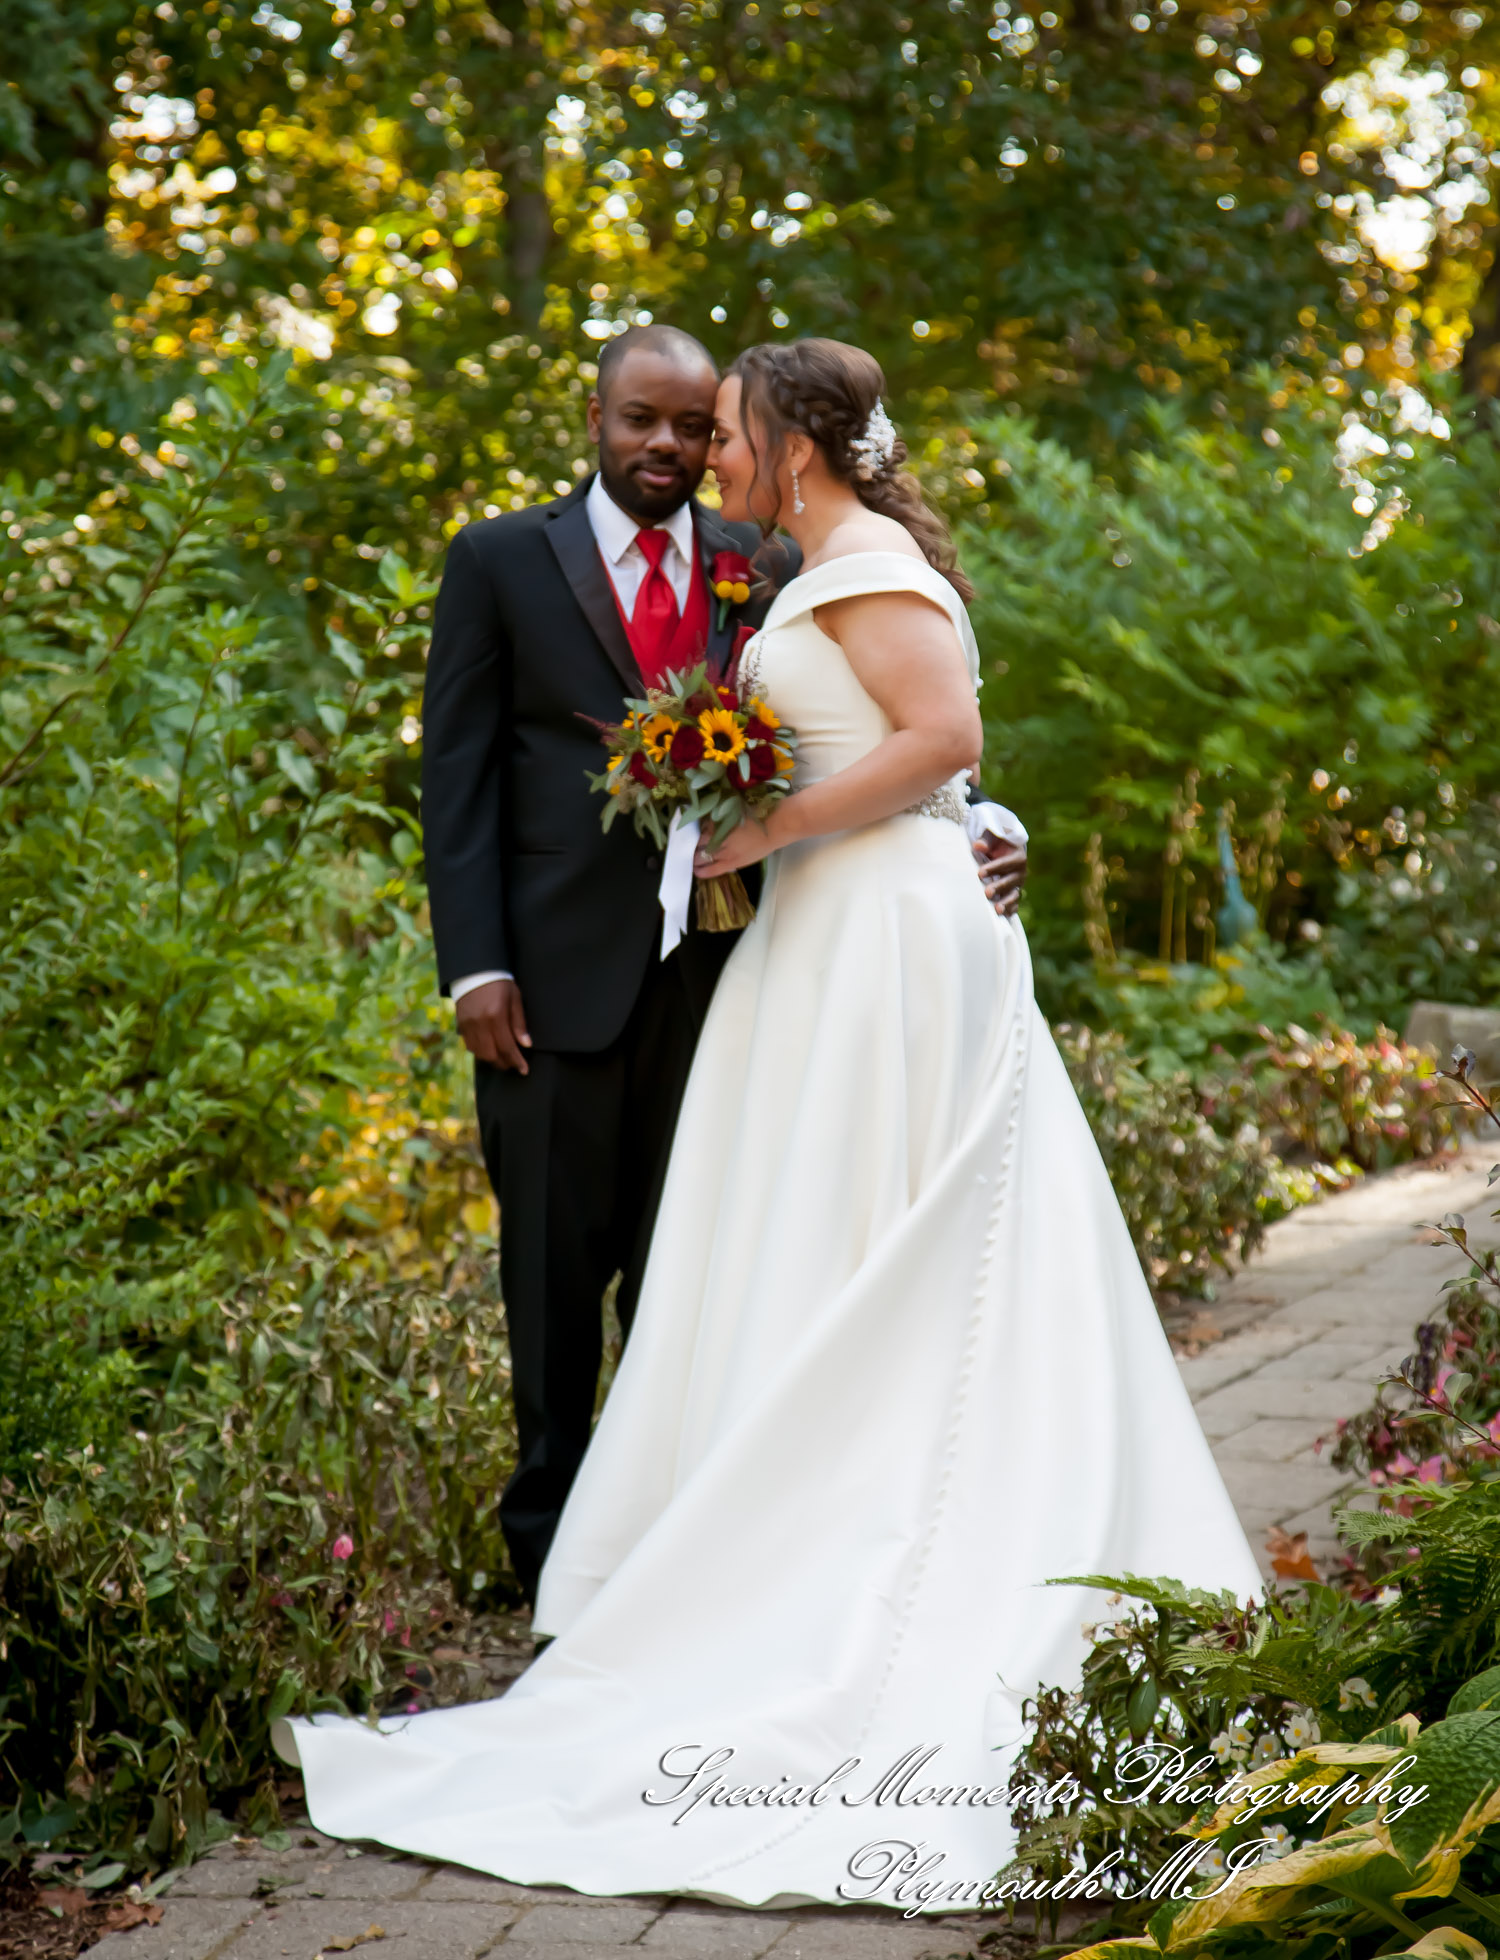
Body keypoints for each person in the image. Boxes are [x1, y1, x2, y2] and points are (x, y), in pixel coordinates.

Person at [276, 337, 1258, 1910]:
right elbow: (466, 768)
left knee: (872, 1256)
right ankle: (638, 1565)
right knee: (766, 1265)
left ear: (790, 445)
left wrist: (799, 826)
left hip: (854, 945)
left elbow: (941, 744)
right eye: (673, 424)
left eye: (724, 430)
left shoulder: (819, 564)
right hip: (762, 953)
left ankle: (847, 1566)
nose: (704, 452)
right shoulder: (707, 558)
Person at [417, 323, 1026, 1606]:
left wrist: (982, 823)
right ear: (597, 415)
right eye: (643, 419)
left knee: (710, 1268)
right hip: (550, 983)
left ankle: (681, 1541)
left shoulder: (772, 558)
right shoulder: (500, 559)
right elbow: (457, 778)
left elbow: (889, 727)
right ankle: (550, 1555)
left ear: (735, 442)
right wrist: (473, 969)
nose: (671, 447)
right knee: (548, 1271)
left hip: (739, 972)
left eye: (698, 429)